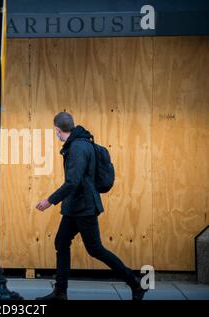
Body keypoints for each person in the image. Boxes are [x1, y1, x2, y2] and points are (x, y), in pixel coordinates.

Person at [35, 112, 148, 300]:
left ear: (57, 129)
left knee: (95, 249)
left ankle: (135, 284)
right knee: (61, 242)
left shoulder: (78, 147)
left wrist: (49, 201)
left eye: (54, 131)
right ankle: (60, 292)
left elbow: (73, 182)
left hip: (84, 206)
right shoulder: (82, 142)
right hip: (75, 206)